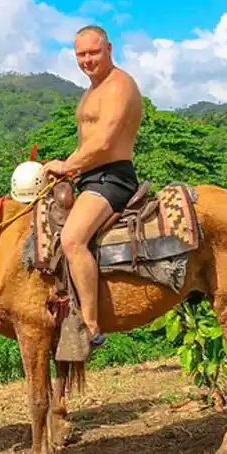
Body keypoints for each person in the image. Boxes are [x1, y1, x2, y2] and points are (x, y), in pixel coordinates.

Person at [42, 25, 143, 349]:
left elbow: (103, 142)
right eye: (80, 54)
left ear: (109, 48)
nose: (87, 60)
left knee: (72, 239)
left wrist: (66, 166)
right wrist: (68, 168)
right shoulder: (90, 91)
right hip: (88, 177)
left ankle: (90, 326)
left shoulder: (119, 86)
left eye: (93, 52)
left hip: (112, 177)